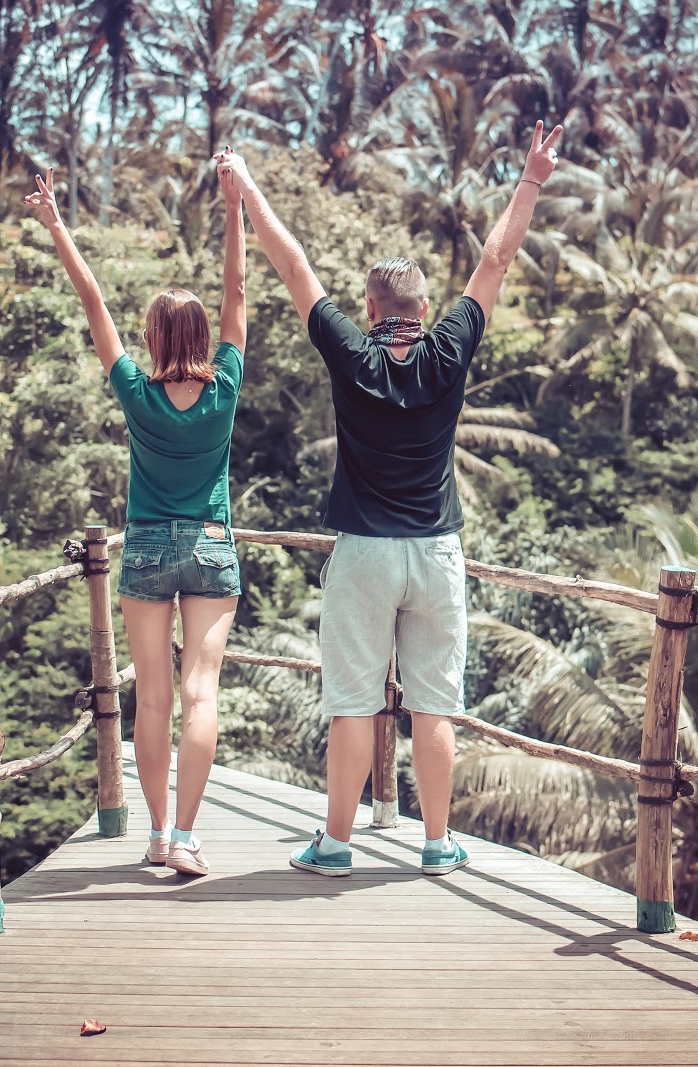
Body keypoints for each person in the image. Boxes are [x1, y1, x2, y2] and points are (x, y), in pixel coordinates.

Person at [214, 120, 563, 877]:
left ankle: (335, 845)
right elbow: (498, 255)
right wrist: (531, 175)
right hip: (436, 553)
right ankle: (437, 844)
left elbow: (294, 262)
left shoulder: (350, 350)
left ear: (370, 310)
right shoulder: (450, 347)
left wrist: (245, 190)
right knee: (434, 705)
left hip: (365, 553)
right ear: (425, 304)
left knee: (353, 703)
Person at [24, 162, 247, 878]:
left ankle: (155, 833)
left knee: (151, 697)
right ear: (205, 334)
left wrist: (56, 223)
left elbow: (92, 297)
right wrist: (235, 204)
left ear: (151, 336)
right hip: (211, 546)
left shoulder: (135, 391)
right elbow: (238, 289)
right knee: (200, 693)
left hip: (147, 546)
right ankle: (186, 833)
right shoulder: (227, 387)